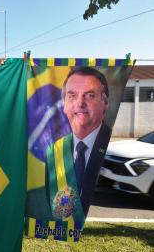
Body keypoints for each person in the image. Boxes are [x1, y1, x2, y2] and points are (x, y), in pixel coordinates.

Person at [45, 66, 111, 220]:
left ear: (105, 102)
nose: (79, 103)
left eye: (89, 95)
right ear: (64, 105)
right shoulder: (54, 150)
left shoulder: (109, 149)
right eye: (72, 96)